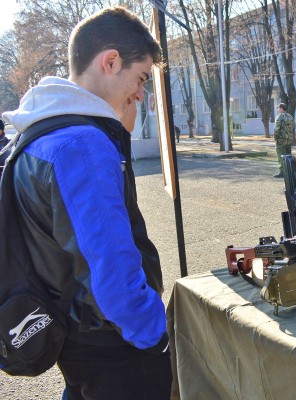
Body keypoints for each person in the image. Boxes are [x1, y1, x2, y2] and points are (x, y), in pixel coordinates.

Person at [2, 7, 172, 400]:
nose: (141, 93)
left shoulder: (41, 132)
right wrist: (154, 333)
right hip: (113, 346)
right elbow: (111, 271)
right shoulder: (83, 144)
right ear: (111, 61)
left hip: (73, 334)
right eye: (141, 77)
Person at [273, 102, 294, 178]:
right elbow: (292, 129)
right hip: (289, 140)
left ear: (281, 108)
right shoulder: (290, 117)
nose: (278, 110)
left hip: (281, 140)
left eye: (278, 108)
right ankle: (289, 171)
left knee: (281, 156)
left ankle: (282, 171)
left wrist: (275, 138)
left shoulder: (280, 117)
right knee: (288, 156)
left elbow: (277, 129)